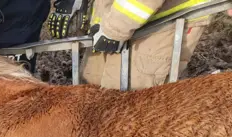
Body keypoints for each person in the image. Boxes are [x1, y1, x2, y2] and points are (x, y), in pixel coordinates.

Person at [49, 0, 214, 90]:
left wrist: (115, 29)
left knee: (131, 107)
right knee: (94, 93)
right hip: (116, 20)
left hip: (162, 23)